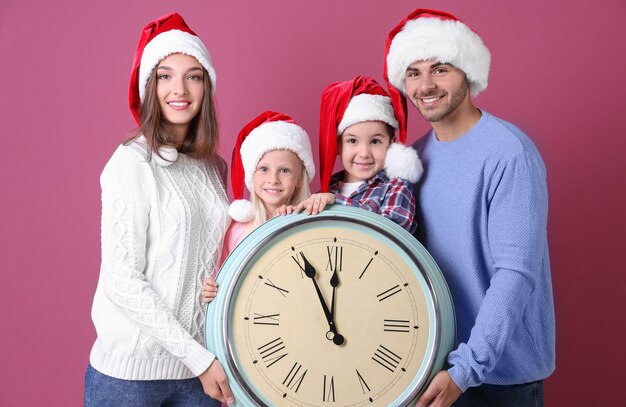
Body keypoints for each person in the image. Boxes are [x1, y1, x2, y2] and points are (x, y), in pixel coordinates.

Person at [383, 8, 556, 407]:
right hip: (432, 372)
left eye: (440, 69)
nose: (425, 84)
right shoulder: (414, 160)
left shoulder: (508, 154)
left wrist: (466, 369)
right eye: (413, 72)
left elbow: (515, 275)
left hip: (499, 380)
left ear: (467, 73)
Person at [85, 13, 235, 406]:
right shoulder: (131, 162)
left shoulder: (214, 168)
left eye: (193, 76)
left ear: (207, 87)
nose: (179, 89)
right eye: (165, 76)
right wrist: (197, 359)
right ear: (150, 87)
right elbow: (123, 281)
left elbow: (217, 254)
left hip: (202, 372)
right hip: (130, 378)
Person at [201, 111, 315, 304]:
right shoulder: (237, 229)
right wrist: (211, 290)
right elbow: (224, 277)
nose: (273, 179)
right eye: (263, 169)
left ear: (298, 180)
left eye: (284, 170)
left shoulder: (309, 222)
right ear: (251, 175)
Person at [291, 75, 422, 233]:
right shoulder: (326, 192)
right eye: (352, 141)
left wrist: (337, 202)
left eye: (375, 142)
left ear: (391, 143)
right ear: (338, 145)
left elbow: (394, 231)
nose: (364, 153)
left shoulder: (396, 186)